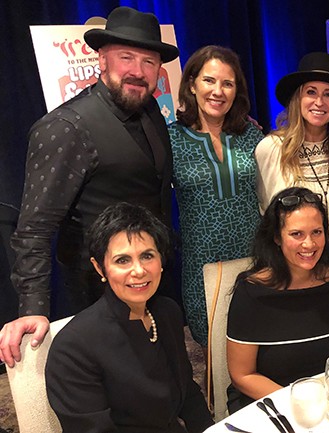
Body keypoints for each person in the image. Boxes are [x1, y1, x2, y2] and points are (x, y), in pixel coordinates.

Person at [0, 6, 178, 368]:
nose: (137, 71)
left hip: (150, 278)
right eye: (126, 57)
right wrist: (33, 306)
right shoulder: (66, 127)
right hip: (96, 293)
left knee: (157, 371)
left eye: (148, 62)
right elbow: (33, 228)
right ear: (101, 58)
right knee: (115, 386)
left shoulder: (151, 112)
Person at [45, 203, 213, 433]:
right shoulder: (73, 347)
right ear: (100, 268)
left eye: (147, 256)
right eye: (122, 260)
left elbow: (188, 394)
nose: (139, 270)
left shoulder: (166, 312)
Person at [226, 187, 329, 411]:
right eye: (297, 234)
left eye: (316, 232)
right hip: (270, 403)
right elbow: (242, 375)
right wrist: (300, 402)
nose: (309, 244)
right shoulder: (252, 294)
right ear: (277, 237)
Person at [169, 45, 264, 346]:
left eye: (228, 83)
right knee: (212, 344)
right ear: (192, 84)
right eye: (209, 80)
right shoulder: (170, 139)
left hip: (255, 259)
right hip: (202, 265)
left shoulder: (251, 135)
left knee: (257, 339)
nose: (218, 91)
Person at [255, 52, 329, 277]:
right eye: (311, 92)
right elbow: (268, 212)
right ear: (298, 99)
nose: (319, 102)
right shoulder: (273, 149)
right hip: (296, 267)